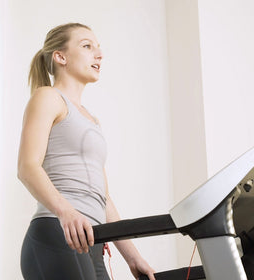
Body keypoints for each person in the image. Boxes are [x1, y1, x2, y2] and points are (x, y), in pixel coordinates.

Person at [17, 23, 156, 280]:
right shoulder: (48, 97)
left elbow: (104, 198)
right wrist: (66, 211)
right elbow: (27, 167)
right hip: (58, 231)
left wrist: (133, 257)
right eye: (87, 46)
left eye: (98, 47)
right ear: (61, 57)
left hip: (92, 240)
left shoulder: (92, 120)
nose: (99, 54)